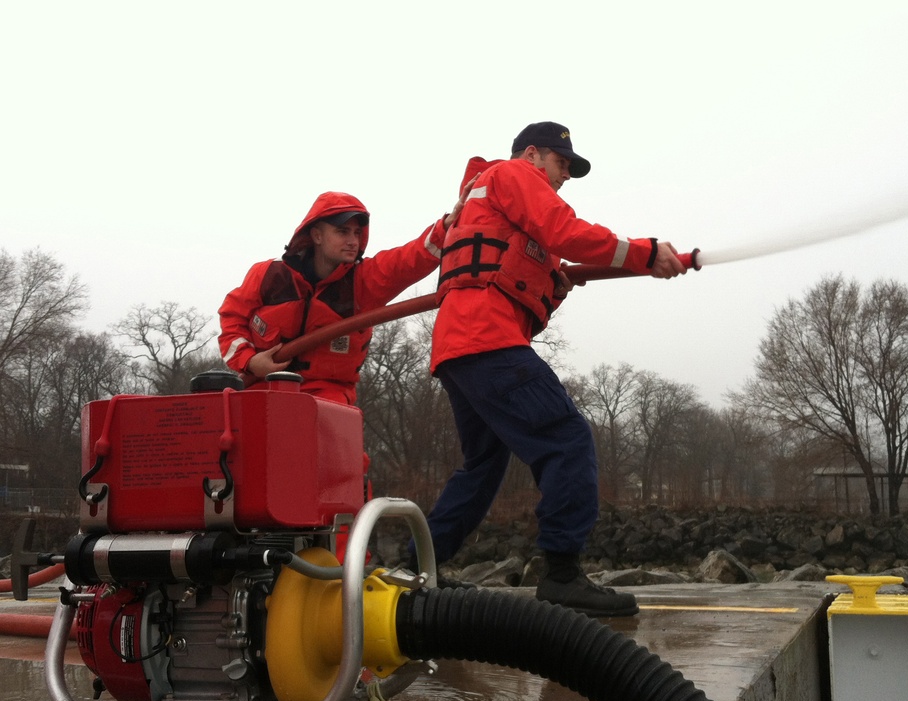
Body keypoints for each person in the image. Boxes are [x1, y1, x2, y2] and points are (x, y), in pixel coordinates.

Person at [420, 121, 689, 616]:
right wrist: (648, 252)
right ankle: (563, 573)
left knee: (483, 466)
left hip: (462, 345)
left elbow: (521, 285)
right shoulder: (513, 175)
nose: (566, 175)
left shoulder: (493, 206)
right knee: (566, 438)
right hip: (486, 339)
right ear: (533, 155)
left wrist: (552, 284)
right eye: (562, 163)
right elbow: (566, 231)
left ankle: (417, 574)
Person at [218, 189, 469, 404]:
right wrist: (249, 362)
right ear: (316, 235)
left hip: (328, 397)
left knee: (332, 454)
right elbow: (232, 318)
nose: (352, 241)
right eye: (342, 232)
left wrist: (446, 228)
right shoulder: (267, 275)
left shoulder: (363, 282)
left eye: (357, 234)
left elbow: (409, 259)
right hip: (260, 389)